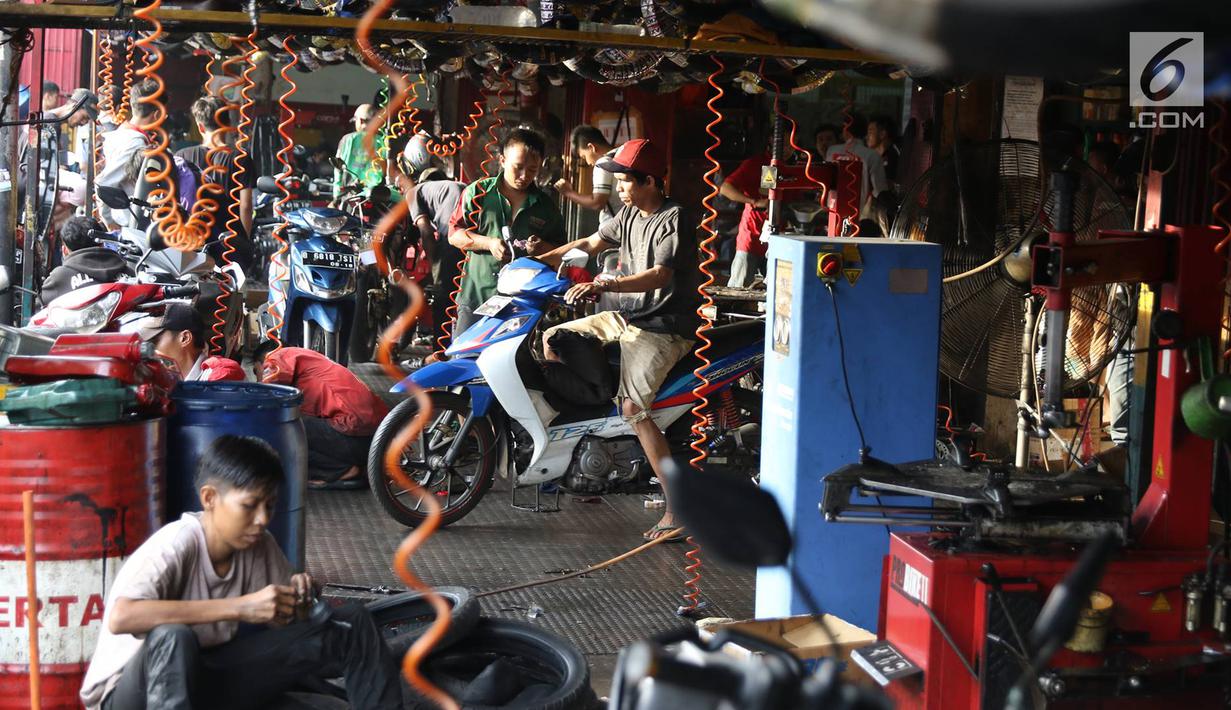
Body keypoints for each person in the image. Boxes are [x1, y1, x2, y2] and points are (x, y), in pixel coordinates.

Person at [79, 435, 402, 710]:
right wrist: (242, 606)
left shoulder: (259, 543)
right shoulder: (176, 543)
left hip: (207, 682)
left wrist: (301, 599)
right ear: (209, 498)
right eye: (250, 506)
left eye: (270, 506)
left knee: (353, 622)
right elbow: (122, 616)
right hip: (131, 695)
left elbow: (282, 623)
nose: (262, 518)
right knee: (173, 637)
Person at [538, 138, 700, 542]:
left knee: (633, 407)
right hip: (624, 317)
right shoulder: (627, 214)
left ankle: (676, 508)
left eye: (625, 181)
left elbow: (661, 276)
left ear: (648, 181)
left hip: (662, 327)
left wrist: (606, 284)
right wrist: (538, 260)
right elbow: (591, 243)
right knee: (552, 339)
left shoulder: (673, 218)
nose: (620, 188)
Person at [448, 128, 565, 334]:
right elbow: (454, 234)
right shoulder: (478, 193)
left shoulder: (546, 206)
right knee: (464, 360)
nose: (524, 176)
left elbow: (562, 252)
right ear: (502, 160)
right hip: (477, 294)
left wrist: (542, 248)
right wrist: (488, 243)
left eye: (532, 169)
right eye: (518, 167)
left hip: (522, 304)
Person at [254, 344, 391, 490]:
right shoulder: (311, 361)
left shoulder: (279, 356)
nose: (257, 379)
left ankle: (339, 471)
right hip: (379, 441)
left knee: (279, 430)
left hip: (357, 435)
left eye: (257, 372)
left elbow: (267, 390)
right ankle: (347, 467)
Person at [176, 95, 255, 270]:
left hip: (192, 240)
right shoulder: (241, 159)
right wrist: (243, 241)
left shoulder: (182, 156)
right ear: (227, 124)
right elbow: (246, 205)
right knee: (230, 290)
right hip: (228, 240)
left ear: (200, 126)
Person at [408, 172, 467, 345]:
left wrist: (435, 270)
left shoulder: (414, 192)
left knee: (442, 293)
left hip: (452, 233)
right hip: (473, 234)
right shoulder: (454, 185)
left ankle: (439, 350)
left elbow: (425, 232)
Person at [97, 79, 158, 228]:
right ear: (157, 114)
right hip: (130, 225)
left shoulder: (123, 133)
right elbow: (104, 183)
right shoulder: (134, 143)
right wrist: (110, 223)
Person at [134, 302, 245, 382]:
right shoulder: (167, 380)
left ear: (185, 338)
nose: (146, 351)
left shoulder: (221, 372)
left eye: (153, 342)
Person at [39, 215, 132, 306]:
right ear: (102, 243)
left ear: (65, 250)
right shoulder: (127, 270)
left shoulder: (59, 278)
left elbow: (44, 300)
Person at [825, 114, 888, 232]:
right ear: (865, 132)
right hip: (858, 220)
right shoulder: (872, 156)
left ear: (845, 130)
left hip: (831, 214)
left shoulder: (831, 151)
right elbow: (880, 191)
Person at [718, 150, 771, 287]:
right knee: (739, 287)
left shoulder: (797, 165)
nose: (788, 145)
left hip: (783, 239)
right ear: (772, 139)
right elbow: (725, 188)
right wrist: (753, 201)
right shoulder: (756, 164)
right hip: (752, 235)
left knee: (777, 291)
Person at [555, 125, 623, 226]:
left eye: (584, 156)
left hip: (613, 229)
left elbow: (597, 203)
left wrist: (568, 192)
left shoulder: (602, 164)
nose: (587, 162)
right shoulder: (621, 155)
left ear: (591, 147)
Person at [333, 103, 385, 198]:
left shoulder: (347, 140)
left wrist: (336, 197)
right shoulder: (383, 141)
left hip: (350, 197)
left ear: (360, 121)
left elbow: (338, 170)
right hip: (376, 196)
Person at [866, 115, 901, 183]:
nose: (867, 137)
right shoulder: (871, 155)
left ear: (882, 134)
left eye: (870, 132)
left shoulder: (894, 155)